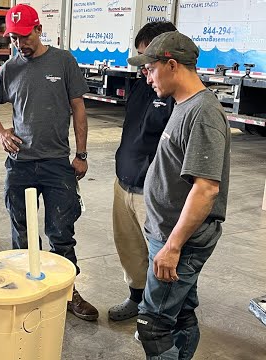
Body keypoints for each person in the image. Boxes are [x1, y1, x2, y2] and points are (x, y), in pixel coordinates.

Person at [0, 4, 98, 321]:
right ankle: (28, 291)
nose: (20, 44)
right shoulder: (10, 69)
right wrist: (0, 132)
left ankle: (69, 294)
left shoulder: (63, 61)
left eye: (25, 36)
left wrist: (81, 154)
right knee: (23, 237)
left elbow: (78, 109)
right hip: (20, 165)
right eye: (14, 39)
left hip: (57, 163)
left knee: (61, 232)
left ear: (39, 30)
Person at [127, 31, 230, 359]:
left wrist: (172, 247)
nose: (146, 77)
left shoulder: (203, 113)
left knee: (153, 324)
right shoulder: (185, 105)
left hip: (180, 241)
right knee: (180, 314)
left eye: (150, 68)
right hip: (169, 234)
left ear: (172, 65)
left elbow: (206, 188)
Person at [109, 21, 177, 321]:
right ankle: (136, 298)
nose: (142, 69)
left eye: (146, 60)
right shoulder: (140, 86)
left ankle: (156, 313)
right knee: (129, 248)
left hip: (152, 192)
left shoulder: (179, 98)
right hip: (124, 181)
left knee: (158, 255)